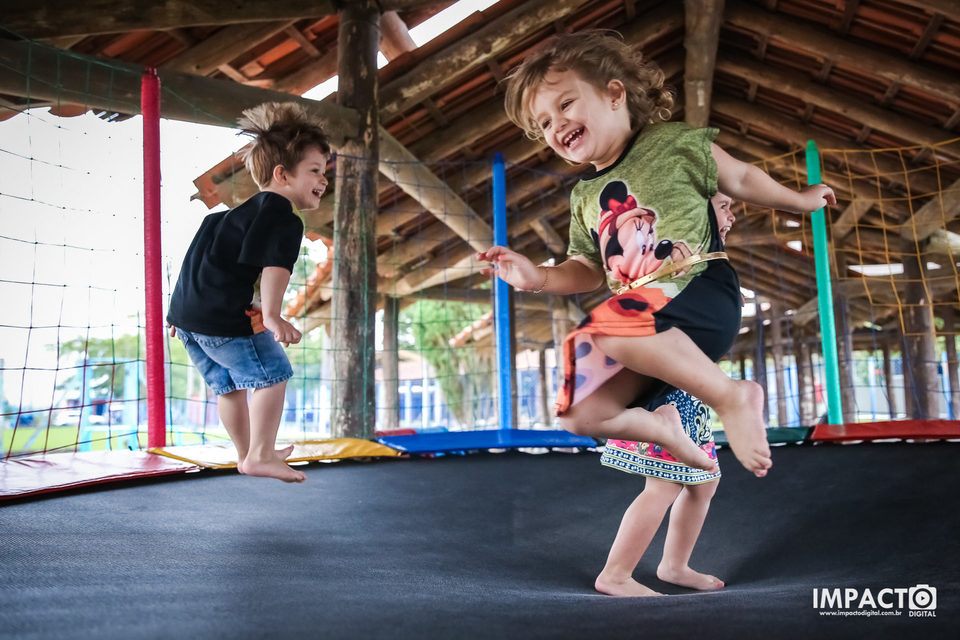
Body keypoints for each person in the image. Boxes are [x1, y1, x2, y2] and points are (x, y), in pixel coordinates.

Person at [477, 31, 834, 478]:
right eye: (544, 122)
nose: (556, 125)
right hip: (645, 324)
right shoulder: (583, 196)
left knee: (608, 329)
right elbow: (586, 270)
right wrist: (538, 277)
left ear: (614, 94)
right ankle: (663, 428)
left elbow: (741, 178)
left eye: (565, 105)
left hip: (698, 289)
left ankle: (731, 397)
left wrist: (802, 201)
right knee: (579, 413)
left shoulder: (673, 143)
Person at [166, 102, 330, 483]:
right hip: (222, 321)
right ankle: (259, 454)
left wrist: (176, 314)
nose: (324, 180)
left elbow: (198, 259)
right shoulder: (284, 218)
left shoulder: (222, 218)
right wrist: (272, 316)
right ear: (282, 174)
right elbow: (277, 267)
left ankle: (250, 454)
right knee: (274, 373)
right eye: (315, 170)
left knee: (228, 387)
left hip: (189, 320)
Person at [594, 191, 738, 598]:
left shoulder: (703, 261)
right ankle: (616, 574)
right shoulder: (676, 260)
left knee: (704, 482)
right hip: (665, 391)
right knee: (662, 485)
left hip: (687, 392)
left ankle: (674, 565)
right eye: (724, 206)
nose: (731, 215)